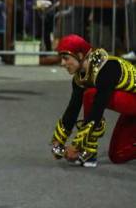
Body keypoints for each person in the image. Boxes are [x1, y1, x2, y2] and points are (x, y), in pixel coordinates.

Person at [51, 35, 136, 167]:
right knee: (117, 155)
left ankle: (89, 151)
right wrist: (58, 141)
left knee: (91, 95)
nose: (62, 63)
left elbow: (97, 108)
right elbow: (72, 109)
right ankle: (89, 152)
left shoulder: (107, 67)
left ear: (80, 55)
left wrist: (76, 145)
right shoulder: (80, 78)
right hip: (131, 108)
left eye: (66, 58)